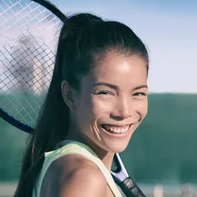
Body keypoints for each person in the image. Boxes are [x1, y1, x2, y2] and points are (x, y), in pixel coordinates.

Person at [13, 13, 150, 197]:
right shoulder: (84, 179)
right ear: (70, 96)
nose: (124, 111)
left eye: (138, 93)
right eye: (105, 93)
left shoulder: (70, 168)